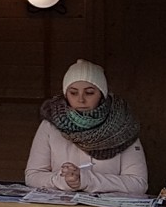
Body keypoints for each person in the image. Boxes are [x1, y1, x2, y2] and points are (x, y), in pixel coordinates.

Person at [25, 61, 148, 195]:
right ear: (66, 95)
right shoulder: (49, 126)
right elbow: (33, 176)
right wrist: (64, 181)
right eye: (73, 93)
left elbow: (138, 183)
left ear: (101, 94)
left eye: (89, 93)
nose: (81, 99)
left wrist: (86, 180)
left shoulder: (124, 127)